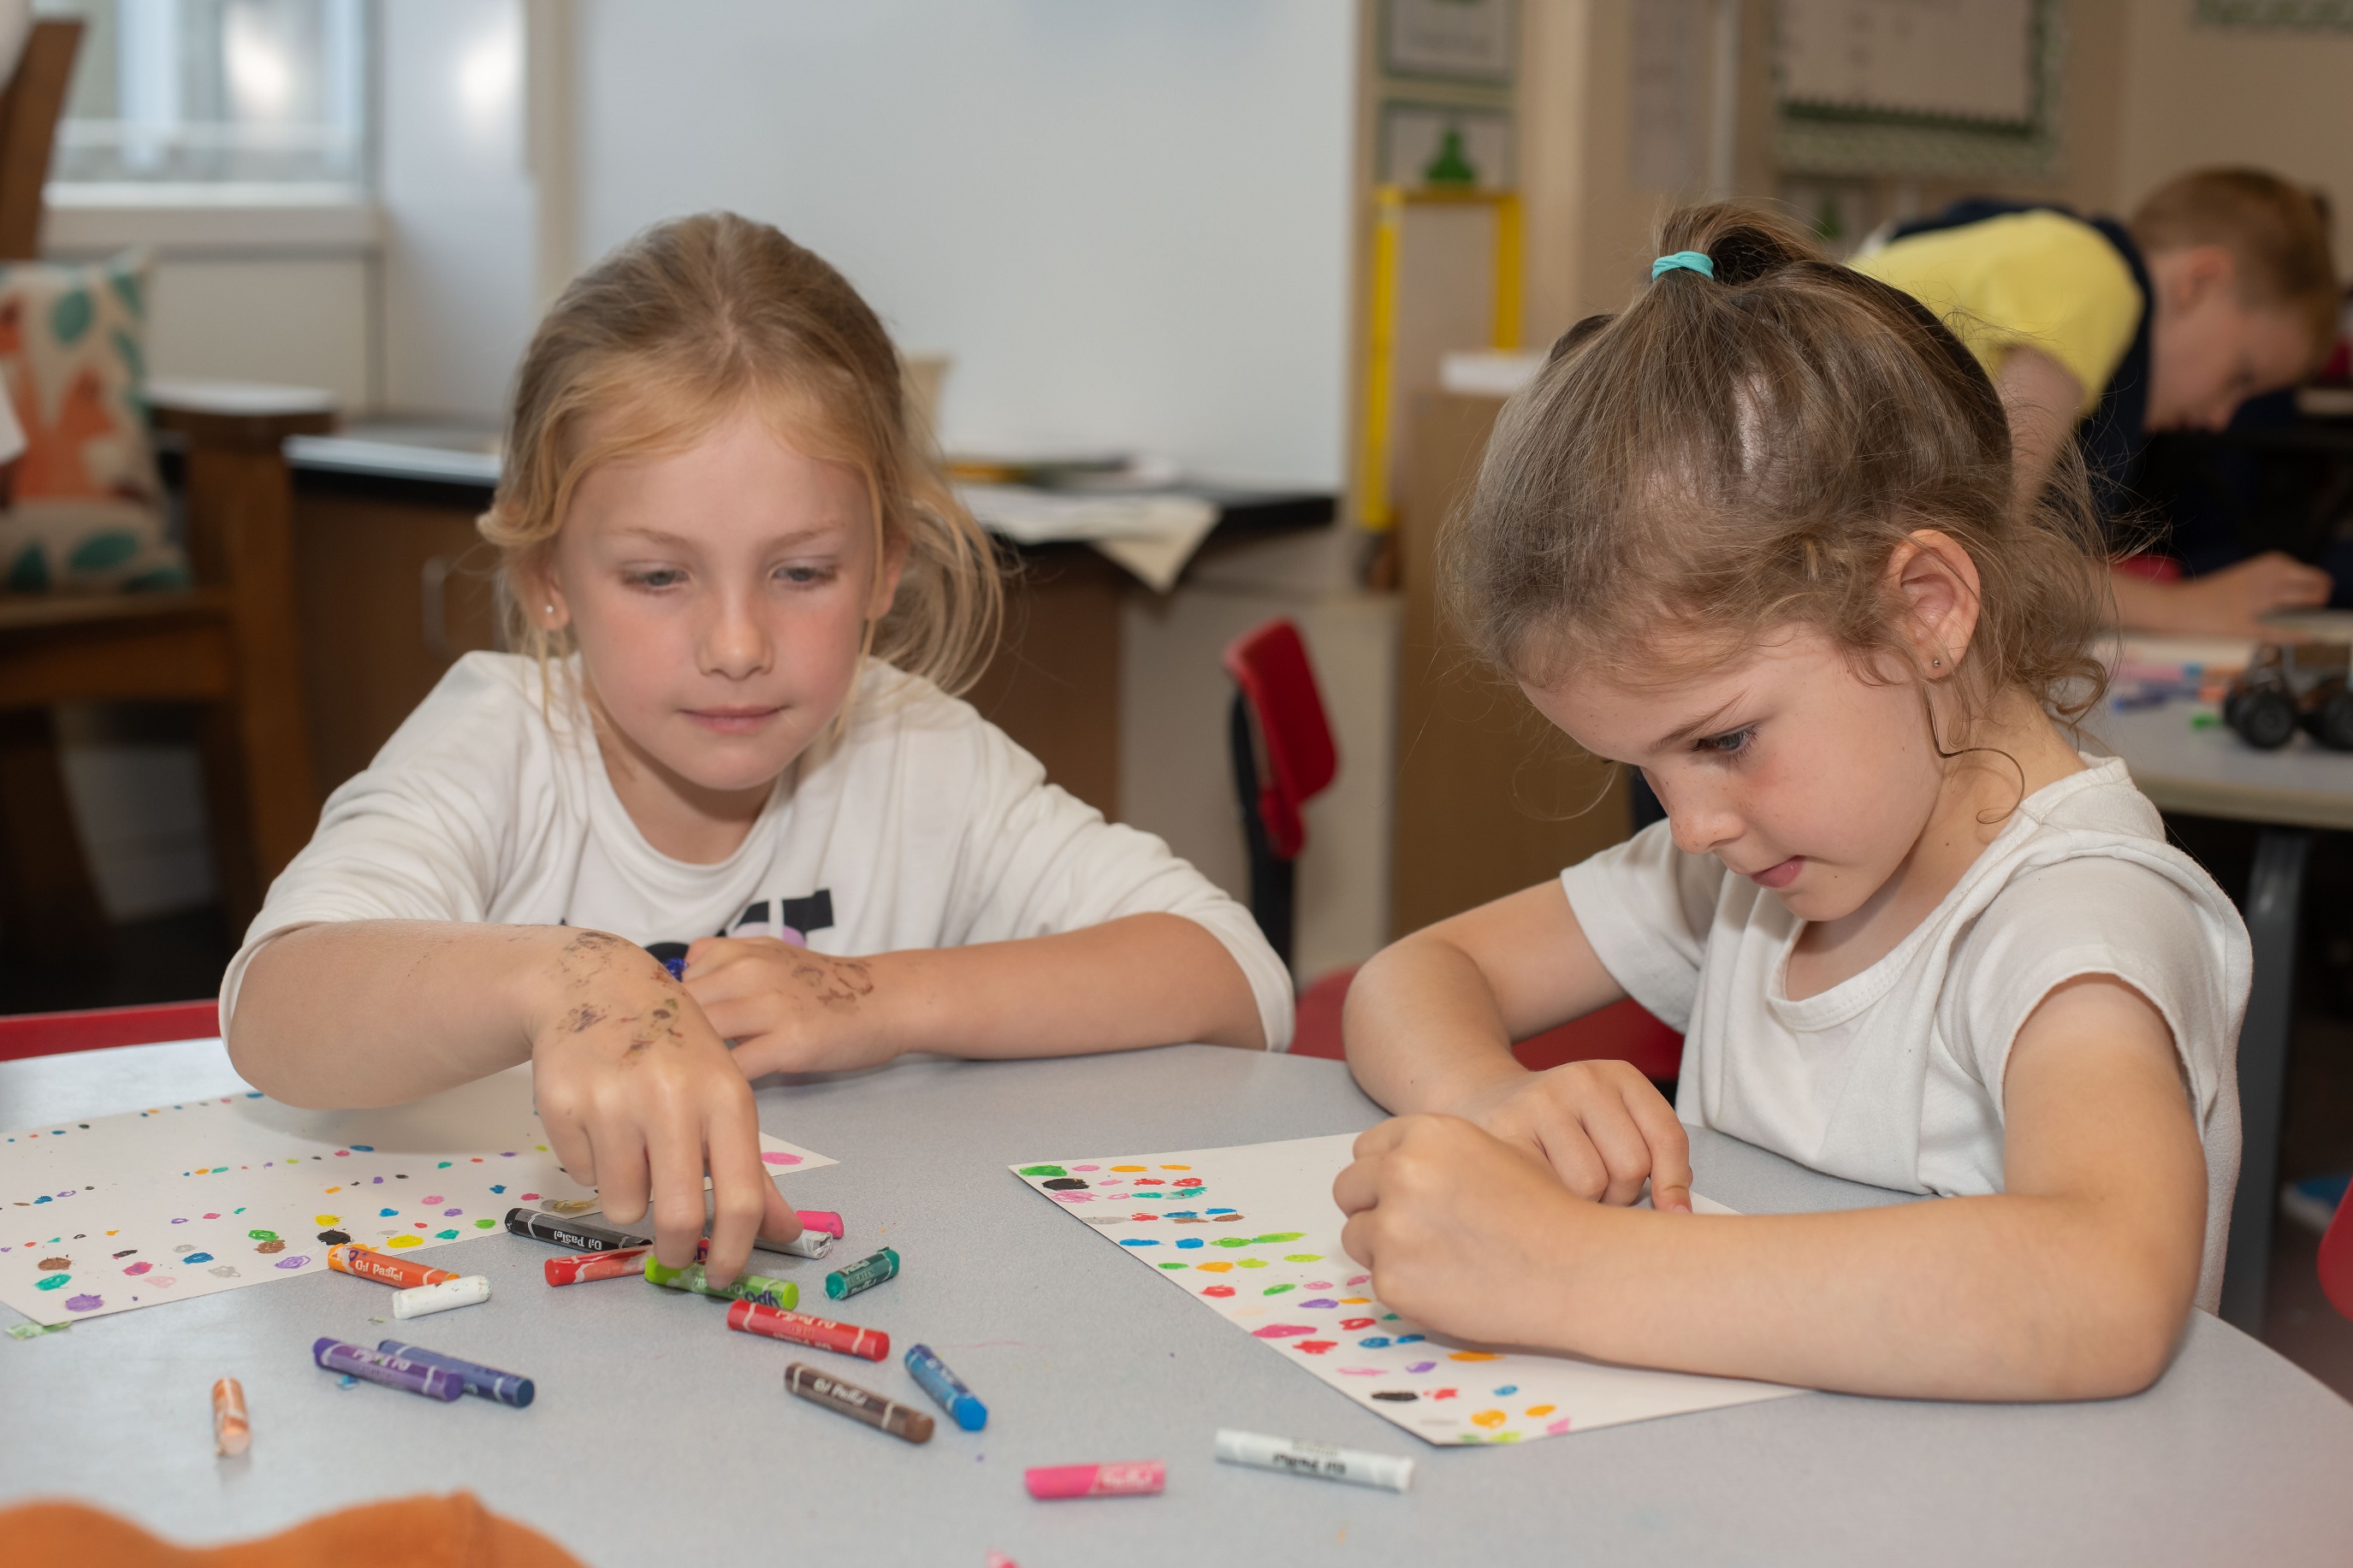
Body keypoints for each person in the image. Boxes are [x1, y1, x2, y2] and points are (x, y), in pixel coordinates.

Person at [221, 214, 1290, 1287]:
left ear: (883, 569)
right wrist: (574, 978)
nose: (736, 648)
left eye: (802, 573)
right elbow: (275, 1010)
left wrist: (876, 998)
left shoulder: (914, 749)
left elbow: (1235, 978)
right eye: (656, 578)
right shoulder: (498, 742)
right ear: (548, 577)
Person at [1336, 205, 2250, 1400]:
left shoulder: (2073, 924)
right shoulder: (1760, 852)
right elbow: (1409, 978)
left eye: (1722, 737)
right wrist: (1488, 1097)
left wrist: (1567, 1268)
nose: (1694, 819)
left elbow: (2106, 1281)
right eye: (1646, 766)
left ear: (1925, 608)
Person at [1852, 167, 2340, 638]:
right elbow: (1985, 544)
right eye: (2241, 376)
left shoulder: (2056, 251)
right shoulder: (2093, 280)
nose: (2220, 418)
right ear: (2200, 282)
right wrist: (2181, 607)